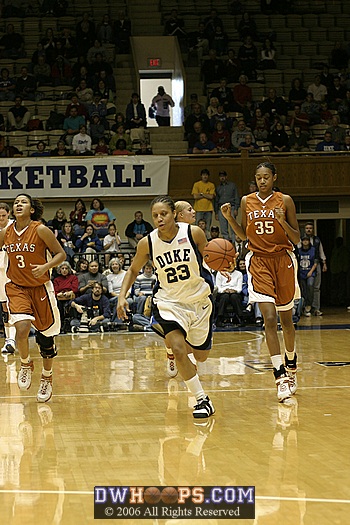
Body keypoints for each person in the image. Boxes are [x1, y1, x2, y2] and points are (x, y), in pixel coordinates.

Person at [117, 196, 215, 419]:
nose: (159, 219)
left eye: (164, 214)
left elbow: (211, 257)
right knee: (179, 349)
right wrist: (122, 296)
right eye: (155, 215)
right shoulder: (148, 243)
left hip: (198, 300)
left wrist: (225, 264)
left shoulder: (193, 233)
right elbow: (132, 271)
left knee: (200, 356)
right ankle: (201, 399)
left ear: (174, 214)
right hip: (168, 301)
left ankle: (182, 347)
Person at [221, 161, 300, 403]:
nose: (262, 181)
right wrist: (230, 219)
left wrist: (282, 221)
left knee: (286, 321)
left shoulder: (284, 200)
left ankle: (291, 363)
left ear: (274, 177)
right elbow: (245, 235)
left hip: (283, 260)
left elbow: (296, 237)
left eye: (266, 176)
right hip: (259, 261)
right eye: (258, 177)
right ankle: (280, 376)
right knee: (269, 317)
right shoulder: (247, 201)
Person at [0, 194, 66, 402]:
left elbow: (61, 254)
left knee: (46, 339)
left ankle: (47, 376)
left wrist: (46, 266)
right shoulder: (5, 233)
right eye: (16, 202)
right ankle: (26, 363)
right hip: (17, 287)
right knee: (21, 328)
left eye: (23, 202)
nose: (18, 204)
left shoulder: (40, 230)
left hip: (41, 288)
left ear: (31, 209)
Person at [301, 221, 327, 316]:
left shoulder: (317, 240)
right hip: (304, 266)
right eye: (307, 228)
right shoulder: (301, 240)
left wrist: (324, 263)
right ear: (305, 229)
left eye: (310, 228)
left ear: (313, 230)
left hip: (316, 264)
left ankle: (316, 308)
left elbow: (321, 251)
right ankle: (305, 307)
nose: (309, 230)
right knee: (305, 288)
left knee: (316, 287)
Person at [0, 202, 16, 354]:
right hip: (0, 273)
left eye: (3, 216)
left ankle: (12, 339)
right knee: (5, 307)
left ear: (8, 214)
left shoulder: (13, 227)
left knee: (12, 306)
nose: (1, 219)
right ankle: (9, 339)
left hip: (12, 271)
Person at [214, 170, 240, 243]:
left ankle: (234, 245)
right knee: (223, 229)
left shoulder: (232, 185)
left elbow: (236, 196)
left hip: (231, 207)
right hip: (221, 208)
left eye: (223, 176)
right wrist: (216, 212)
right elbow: (216, 200)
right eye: (221, 176)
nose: (222, 178)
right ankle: (226, 245)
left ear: (226, 177)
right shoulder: (218, 188)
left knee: (233, 228)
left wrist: (236, 208)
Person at [53, 261, 79, 331]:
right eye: (62, 268)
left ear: (69, 269)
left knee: (72, 303)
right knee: (57, 304)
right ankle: (60, 324)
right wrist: (58, 294)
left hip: (70, 296)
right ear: (60, 270)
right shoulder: (56, 280)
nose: (64, 270)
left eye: (66, 268)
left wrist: (70, 292)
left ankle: (72, 323)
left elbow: (75, 288)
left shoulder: (73, 278)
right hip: (60, 297)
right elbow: (55, 290)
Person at [298, 235, 318, 317]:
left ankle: (309, 305)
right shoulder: (298, 251)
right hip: (301, 272)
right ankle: (304, 307)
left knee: (310, 286)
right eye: (304, 240)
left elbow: (316, 262)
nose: (305, 242)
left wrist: (311, 271)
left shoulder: (313, 250)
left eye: (307, 240)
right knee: (303, 290)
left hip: (310, 272)